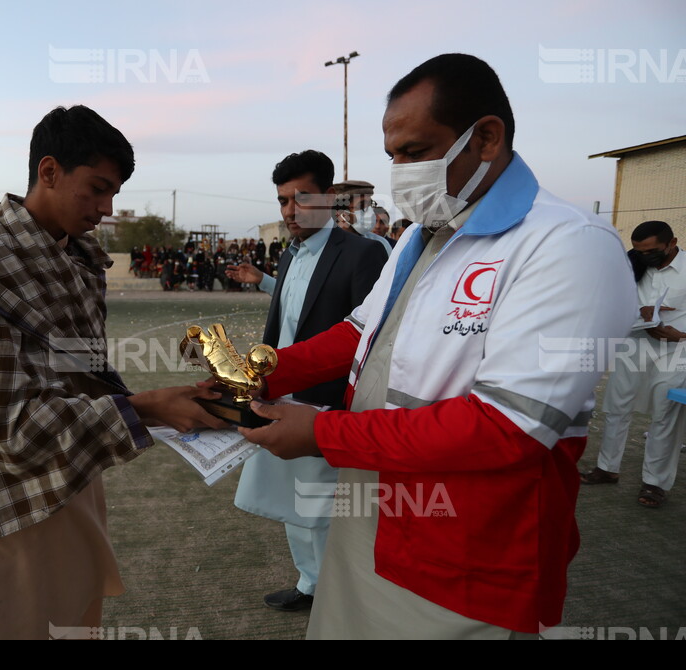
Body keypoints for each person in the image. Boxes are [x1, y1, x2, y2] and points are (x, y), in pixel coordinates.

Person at [234, 53, 638, 639]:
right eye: (393, 156)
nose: (401, 172)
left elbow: (510, 428)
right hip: (373, 506)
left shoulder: (568, 245)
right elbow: (357, 336)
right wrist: (257, 374)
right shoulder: (424, 237)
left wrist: (321, 433)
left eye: (417, 152)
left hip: (467, 550)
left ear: (487, 138)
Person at [0, 104, 225, 641]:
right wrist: (143, 408)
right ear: (49, 171)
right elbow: (11, 428)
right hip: (1, 508)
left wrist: (165, 402)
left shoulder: (76, 259)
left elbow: (81, 379)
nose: (106, 208)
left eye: (114, 194)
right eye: (97, 189)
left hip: (72, 479)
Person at [226, 150, 387, 612]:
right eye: (282, 201)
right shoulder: (292, 254)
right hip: (283, 394)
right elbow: (288, 322)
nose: (290, 211)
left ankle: (343, 592)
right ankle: (310, 583)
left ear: (329, 197)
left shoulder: (363, 252)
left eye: (301, 198)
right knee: (291, 502)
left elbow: (369, 339)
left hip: (330, 405)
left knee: (328, 507)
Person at [581, 220, 686, 508]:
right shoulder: (633, 266)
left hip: (675, 352)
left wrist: (681, 335)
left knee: (664, 417)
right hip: (634, 345)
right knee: (616, 408)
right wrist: (637, 312)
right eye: (639, 250)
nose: (644, 256)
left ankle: (655, 484)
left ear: (672, 243)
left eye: (651, 251)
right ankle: (607, 468)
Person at [333, 180, 392, 257]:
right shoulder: (326, 244)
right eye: (361, 205)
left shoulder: (381, 243)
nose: (369, 211)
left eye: (370, 204)